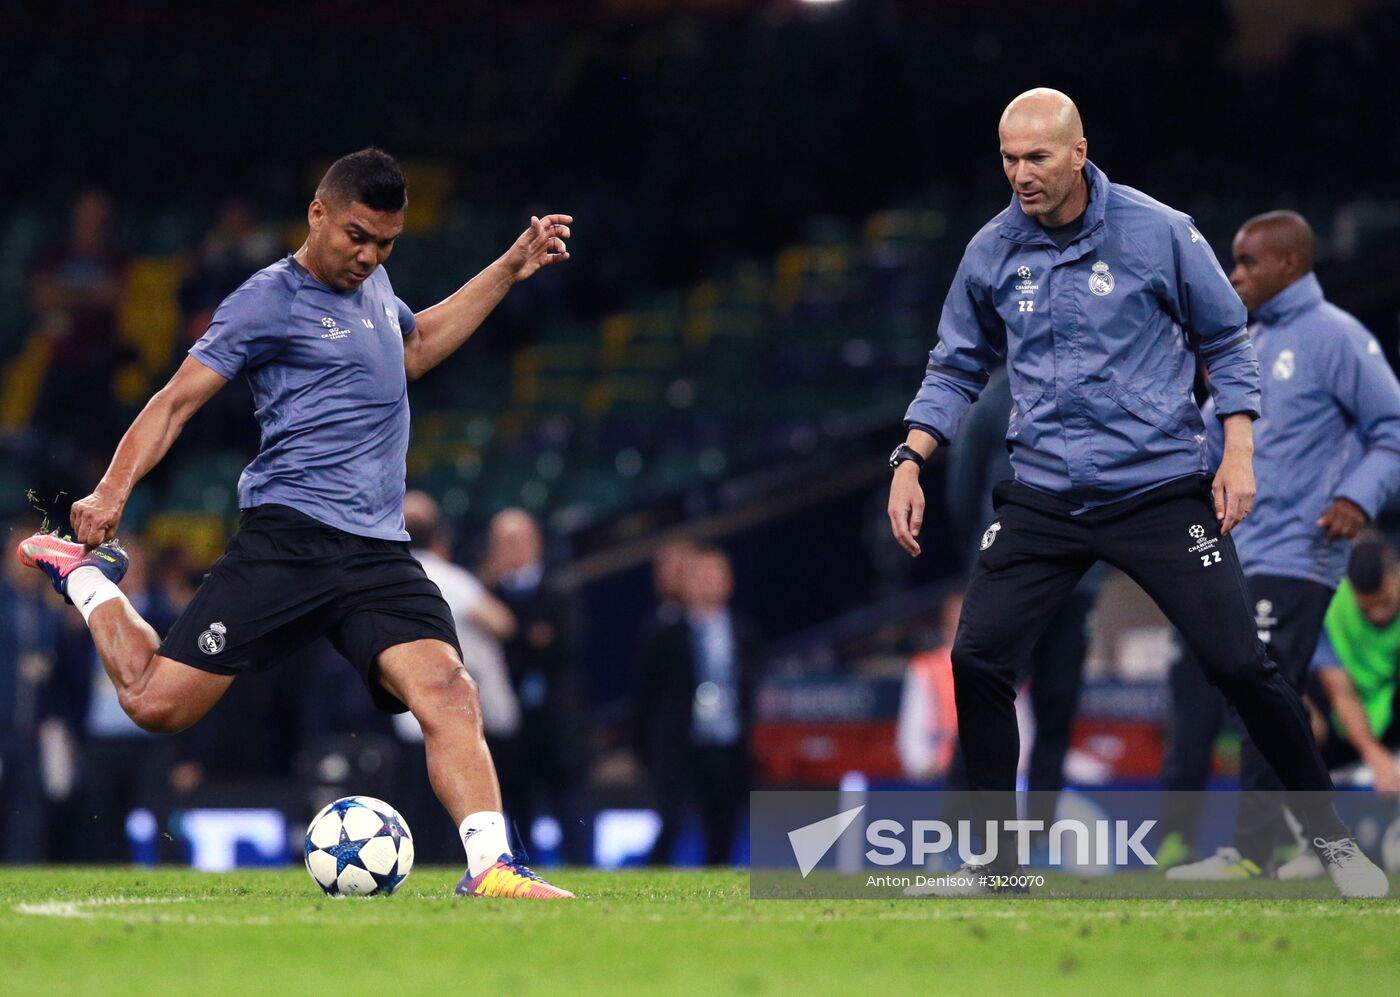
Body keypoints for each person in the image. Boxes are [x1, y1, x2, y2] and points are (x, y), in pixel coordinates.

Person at [18, 149, 574, 897]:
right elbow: (177, 400)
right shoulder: (265, 300)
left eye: (385, 242)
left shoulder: (373, 283)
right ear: (317, 213)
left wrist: (507, 267)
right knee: (154, 703)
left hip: (378, 551)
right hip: (290, 539)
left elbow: (415, 348)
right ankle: (83, 578)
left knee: (449, 688)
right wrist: (112, 491)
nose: (370, 254)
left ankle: (491, 868)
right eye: (356, 235)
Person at [887, 89, 1385, 896]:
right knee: (977, 657)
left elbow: (1227, 339)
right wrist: (911, 458)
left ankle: (1331, 844)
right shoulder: (990, 250)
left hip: (1158, 489)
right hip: (1044, 496)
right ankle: (993, 866)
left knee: (1244, 667)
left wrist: (1238, 448)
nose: (1021, 176)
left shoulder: (1159, 231)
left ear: (1079, 153)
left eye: (1037, 158)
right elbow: (955, 363)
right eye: (1009, 160)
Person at [1162, 211, 1400, 881]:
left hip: (1301, 547)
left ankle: (1260, 849)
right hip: (1246, 549)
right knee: (1261, 695)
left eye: (1247, 261)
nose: (1234, 273)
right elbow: (1206, 446)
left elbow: (1392, 428)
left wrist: (1357, 497)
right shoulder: (1246, 346)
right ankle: (1310, 844)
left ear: (1289, 264)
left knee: (1263, 691)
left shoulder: (1336, 338)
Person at [397, 492, 521, 861]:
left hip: (407, 722)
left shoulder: (382, 584)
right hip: (461, 720)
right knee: (465, 824)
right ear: (441, 538)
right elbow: (503, 623)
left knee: (421, 828)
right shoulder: (449, 578)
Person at [636, 545, 759, 865]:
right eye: (701, 576)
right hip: (679, 743)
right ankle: (650, 888)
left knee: (723, 824)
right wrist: (645, 750)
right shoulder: (664, 633)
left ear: (729, 582)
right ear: (686, 583)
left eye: (715, 576)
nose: (708, 583)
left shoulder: (743, 632)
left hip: (726, 742)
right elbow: (644, 696)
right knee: (671, 821)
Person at [482, 508, 589, 864]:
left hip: (559, 722)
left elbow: (566, 647)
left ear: (536, 543)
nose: (510, 549)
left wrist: (514, 638)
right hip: (509, 723)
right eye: (502, 542)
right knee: (515, 807)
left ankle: (583, 876)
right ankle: (519, 873)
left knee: (569, 804)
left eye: (517, 540)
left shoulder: (562, 588)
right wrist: (533, 639)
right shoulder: (487, 594)